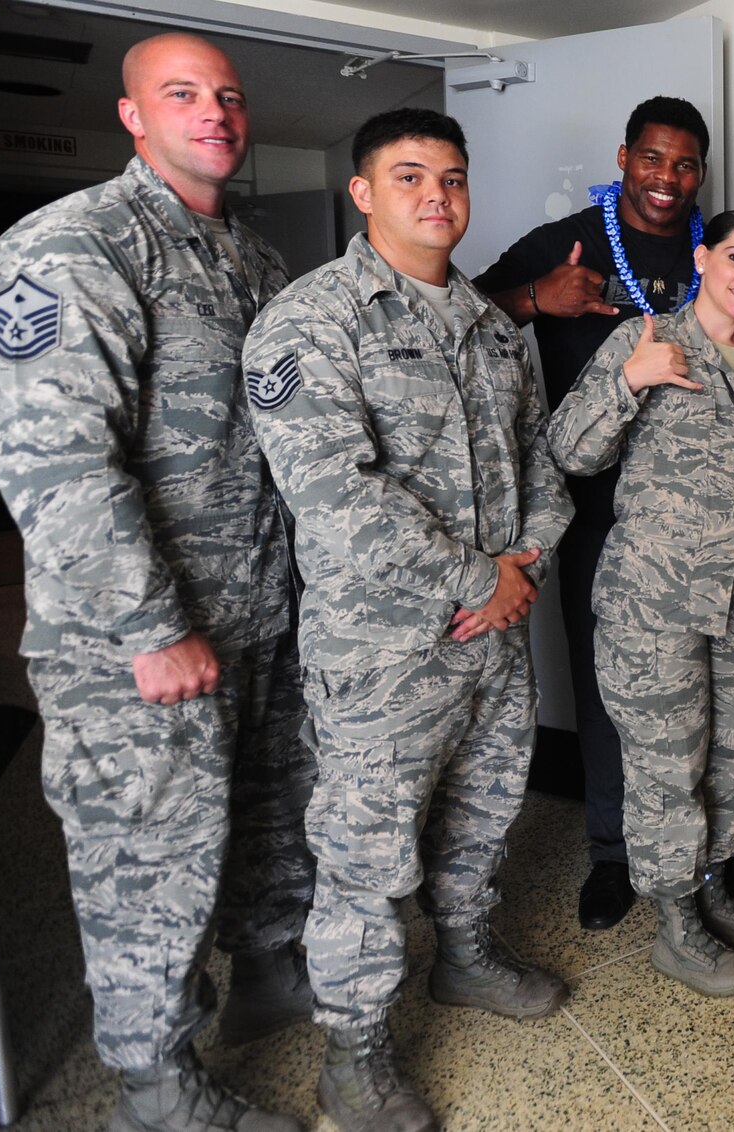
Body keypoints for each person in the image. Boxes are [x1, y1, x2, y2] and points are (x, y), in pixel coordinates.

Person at [0, 33, 314, 1132]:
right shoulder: (74, 247)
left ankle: (269, 975)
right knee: (149, 860)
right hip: (138, 647)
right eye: (181, 94)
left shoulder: (254, 264)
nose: (213, 111)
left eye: (226, 95)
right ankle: (156, 1087)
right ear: (131, 116)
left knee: (269, 824)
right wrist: (150, 623)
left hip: (258, 614)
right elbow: (55, 461)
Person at [244, 109, 574, 1132]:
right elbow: (336, 496)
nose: (437, 195)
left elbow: (541, 462)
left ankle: (465, 960)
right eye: (409, 175)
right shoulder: (311, 320)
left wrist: (524, 562)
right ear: (363, 192)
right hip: (385, 653)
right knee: (367, 858)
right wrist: (480, 578)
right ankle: (353, 1055)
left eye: (453, 176)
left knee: (483, 813)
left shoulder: (491, 325)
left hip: (493, 639)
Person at [474, 96, 734, 931]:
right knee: (623, 704)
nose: (667, 177)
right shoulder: (568, 243)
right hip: (600, 519)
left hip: (722, 541)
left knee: (723, 730)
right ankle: (619, 862)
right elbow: (469, 317)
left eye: (685, 165)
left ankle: (703, 878)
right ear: (624, 158)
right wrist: (539, 299)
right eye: (653, 159)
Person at [544, 210, 734, 998]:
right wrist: (629, 381)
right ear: (701, 258)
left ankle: (715, 887)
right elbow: (567, 448)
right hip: (653, 607)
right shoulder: (648, 341)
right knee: (666, 772)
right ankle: (677, 927)